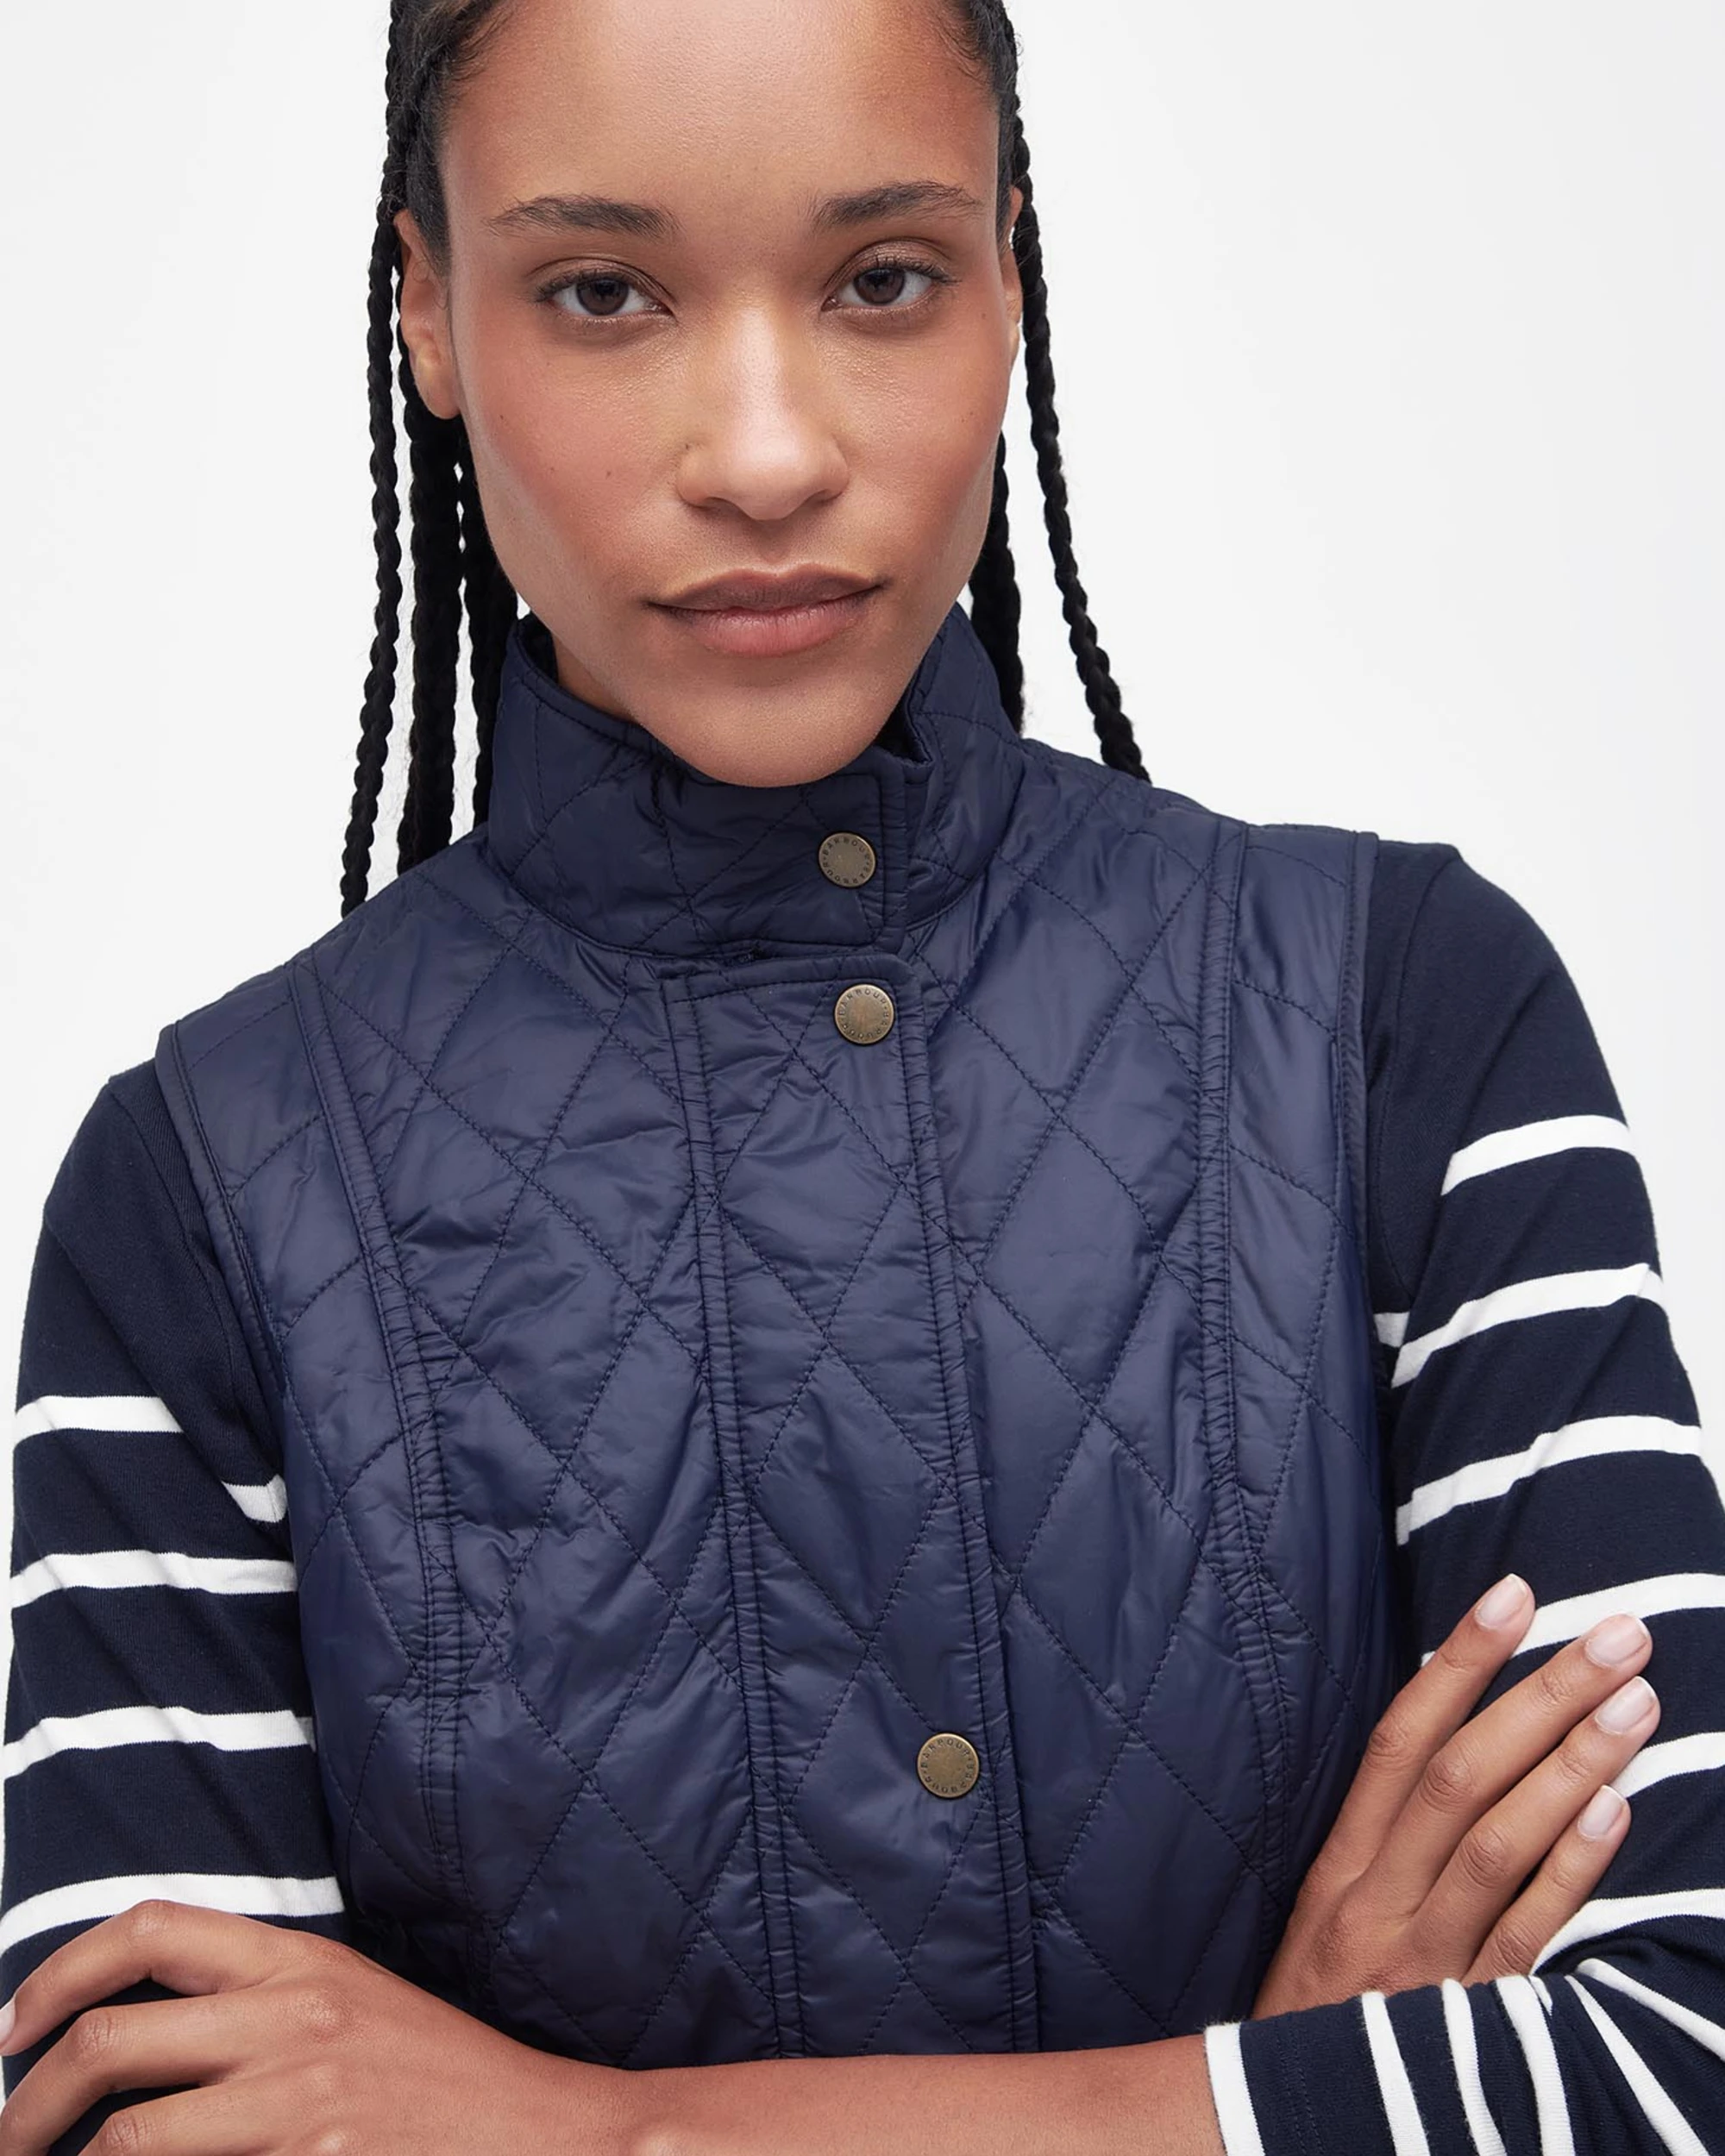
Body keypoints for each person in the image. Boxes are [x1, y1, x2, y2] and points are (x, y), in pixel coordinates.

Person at [2, 1, 1720, 2149]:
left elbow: (1670, 2067)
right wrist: (1258, 2090)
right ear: (426, 307)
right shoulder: (204, 1198)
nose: (764, 450)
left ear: (1011, 273)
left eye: (882, 277)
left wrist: (590, 2130)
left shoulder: (1396, 1020)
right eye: (601, 291)